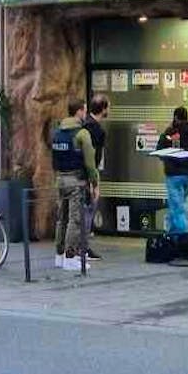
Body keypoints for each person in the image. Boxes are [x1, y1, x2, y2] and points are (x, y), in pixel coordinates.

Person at [52, 99, 99, 272]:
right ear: (79, 111)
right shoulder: (82, 133)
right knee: (75, 219)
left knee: (61, 218)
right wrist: (94, 183)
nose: (85, 113)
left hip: (59, 179)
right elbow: (90, 162)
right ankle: (70, 257)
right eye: (84, 110)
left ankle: (59, 255)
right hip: (75, 180)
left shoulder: (57, 132)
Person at [155, 107, 188, 245]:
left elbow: (159, 150)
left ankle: (185, 240)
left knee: (177, 209)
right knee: (178, 208)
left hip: (174, 175)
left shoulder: (171, 131)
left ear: (176, 117)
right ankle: (174, 238)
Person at [81, 94, 109, 260]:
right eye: (108, 107)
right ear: (103, 109)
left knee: (80, 213)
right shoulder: (97, 130)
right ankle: (83, 248)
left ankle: (78, 248)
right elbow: (94, 157)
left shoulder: (83, 125)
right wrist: (94, 182)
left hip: (78, 173)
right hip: (87, 175)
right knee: (88, 210)